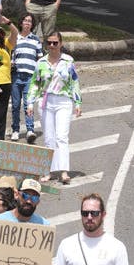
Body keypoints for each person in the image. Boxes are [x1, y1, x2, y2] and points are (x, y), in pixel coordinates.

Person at [27, 31, 81, 184]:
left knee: (62, 136)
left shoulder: (68, 61)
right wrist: (30, 103)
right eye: (49, 43)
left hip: (63, 101)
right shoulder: (41, 62)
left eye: (55, 43)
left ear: (61, 43)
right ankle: (48, 171)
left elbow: (74, 82)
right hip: (46, 102)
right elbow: (34, 83)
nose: (51, 46)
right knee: (49, 137)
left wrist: (78, 103)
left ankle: (64, 171)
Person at [7, 13, 42, 143]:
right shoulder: (15, 38)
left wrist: (40, 76)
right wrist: (11, 63)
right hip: (16, 75)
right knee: (15, 105)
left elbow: (39, 58)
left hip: (30, 77)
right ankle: (15, 130)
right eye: (25, 20)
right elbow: (10, 55)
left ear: (32, 25)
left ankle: (30, 130)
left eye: (30, 21)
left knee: (29, 104)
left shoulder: (36, 40)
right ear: (20, 23)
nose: (27, 23)